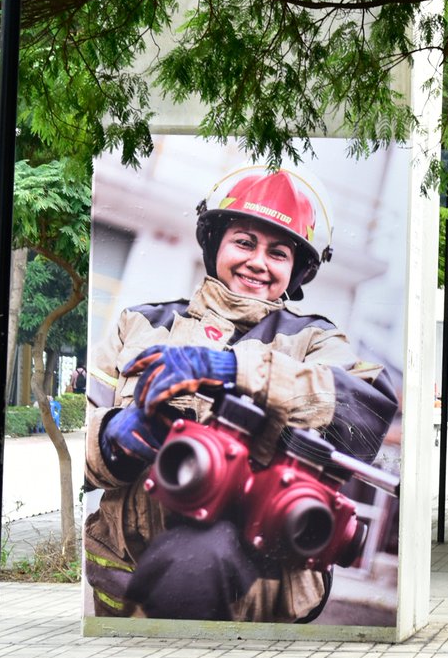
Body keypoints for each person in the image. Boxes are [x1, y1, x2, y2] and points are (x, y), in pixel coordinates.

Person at [84, 166, 398, 623]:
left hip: (253, 594)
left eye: (278, 252)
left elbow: (363, 415)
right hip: (121, 586)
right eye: (244, 242)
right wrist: (111, 437)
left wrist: (236, 369)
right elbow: (79, 445)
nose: (258, 262)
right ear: (215, 245)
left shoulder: (316, 341)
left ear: (295, 269)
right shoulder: (141, 324)